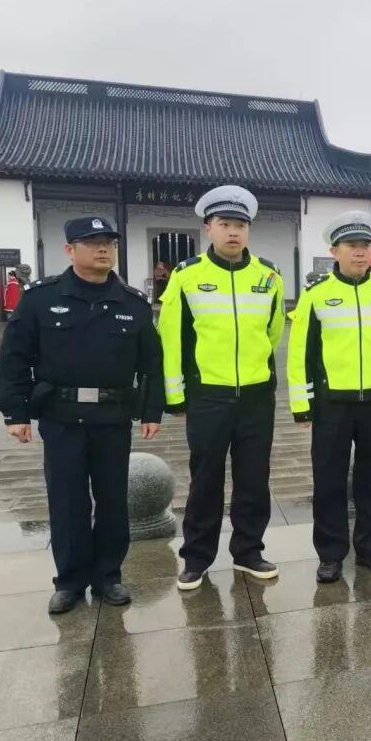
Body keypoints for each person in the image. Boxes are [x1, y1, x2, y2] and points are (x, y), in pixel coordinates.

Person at [0, 217, 164, 614]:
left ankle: (108, 577)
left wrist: (151, 410)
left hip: (112, 417)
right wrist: (15, 412)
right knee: (67, 500)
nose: (103, 249)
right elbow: (14, 357)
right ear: (70, 250)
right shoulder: (40, 299)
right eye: (91, 242)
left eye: (108, 243)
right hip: (61, 417)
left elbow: (152, 365)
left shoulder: (132, 303)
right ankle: (69, 580)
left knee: (113, 500)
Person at [158, 185, 285, 591]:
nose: (233, 232)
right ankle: (196, 558)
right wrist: (176, 395)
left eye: (240, 225)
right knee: (206, 478)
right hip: (208, 395)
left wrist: (259, 373)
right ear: (207, 228)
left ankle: (248, 552)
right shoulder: (187, 275)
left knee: (254, 478)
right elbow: (172, 337)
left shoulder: (268, 276)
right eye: (225, 224)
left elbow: (273, 332)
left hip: (256, 395)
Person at [287, 210, 371, 583]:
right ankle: (330, 554)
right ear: (334, 251)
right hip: (332, 405)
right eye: (351, 246)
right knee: (329, 481)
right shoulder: (316, 296)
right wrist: (302, 404)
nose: (360, 252)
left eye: (365, 245)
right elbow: (301, 353)